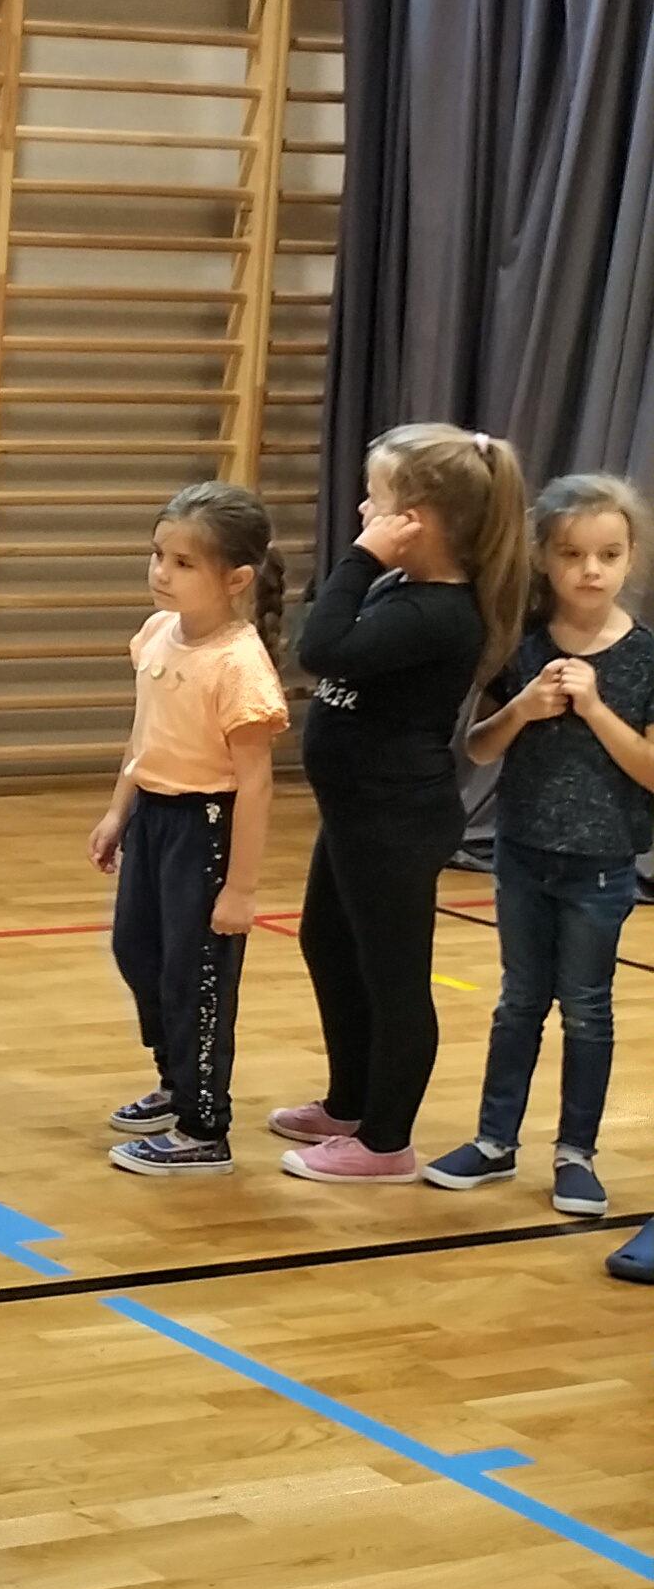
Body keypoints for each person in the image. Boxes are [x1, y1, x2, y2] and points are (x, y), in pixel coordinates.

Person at [277, 421, 530, 1185]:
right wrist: (370, 566)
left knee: (393, 977)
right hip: (357, 811)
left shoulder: (438, 612)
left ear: (414, 521)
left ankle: (386, 1142)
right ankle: (350, 1103)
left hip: (394, 818)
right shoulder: (406, 591)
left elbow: (320, 649)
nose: (363, 511)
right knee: (328, 945)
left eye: (377, 500)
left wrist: (359, 559)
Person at [422, 471, 654, 1220]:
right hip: (521, 856)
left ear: (630, 557)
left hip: (602, 866)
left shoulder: (646, 657)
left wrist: (595, 708)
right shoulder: (518, 645)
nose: (591, 571)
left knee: (586, 1009)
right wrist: (523, 707)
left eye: (608, 555)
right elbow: (479, 747)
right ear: (544, 559)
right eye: (573, 554)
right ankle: (495, 1141)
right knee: (519, 1002)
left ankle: (575, 1154)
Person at [89, 484, 290, 1177]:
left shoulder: (239, 665)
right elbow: (143, 734)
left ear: (235, 580)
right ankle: (176, 1082)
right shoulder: (156, 633)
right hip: (153, 815)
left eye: (183, 563)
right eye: (158, 555)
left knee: (194, 976)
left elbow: (255, 784)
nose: (161, 572)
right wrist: (119, 811)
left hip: (206, 828)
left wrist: (241, 889)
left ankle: (205, 1126)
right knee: (136, 952)